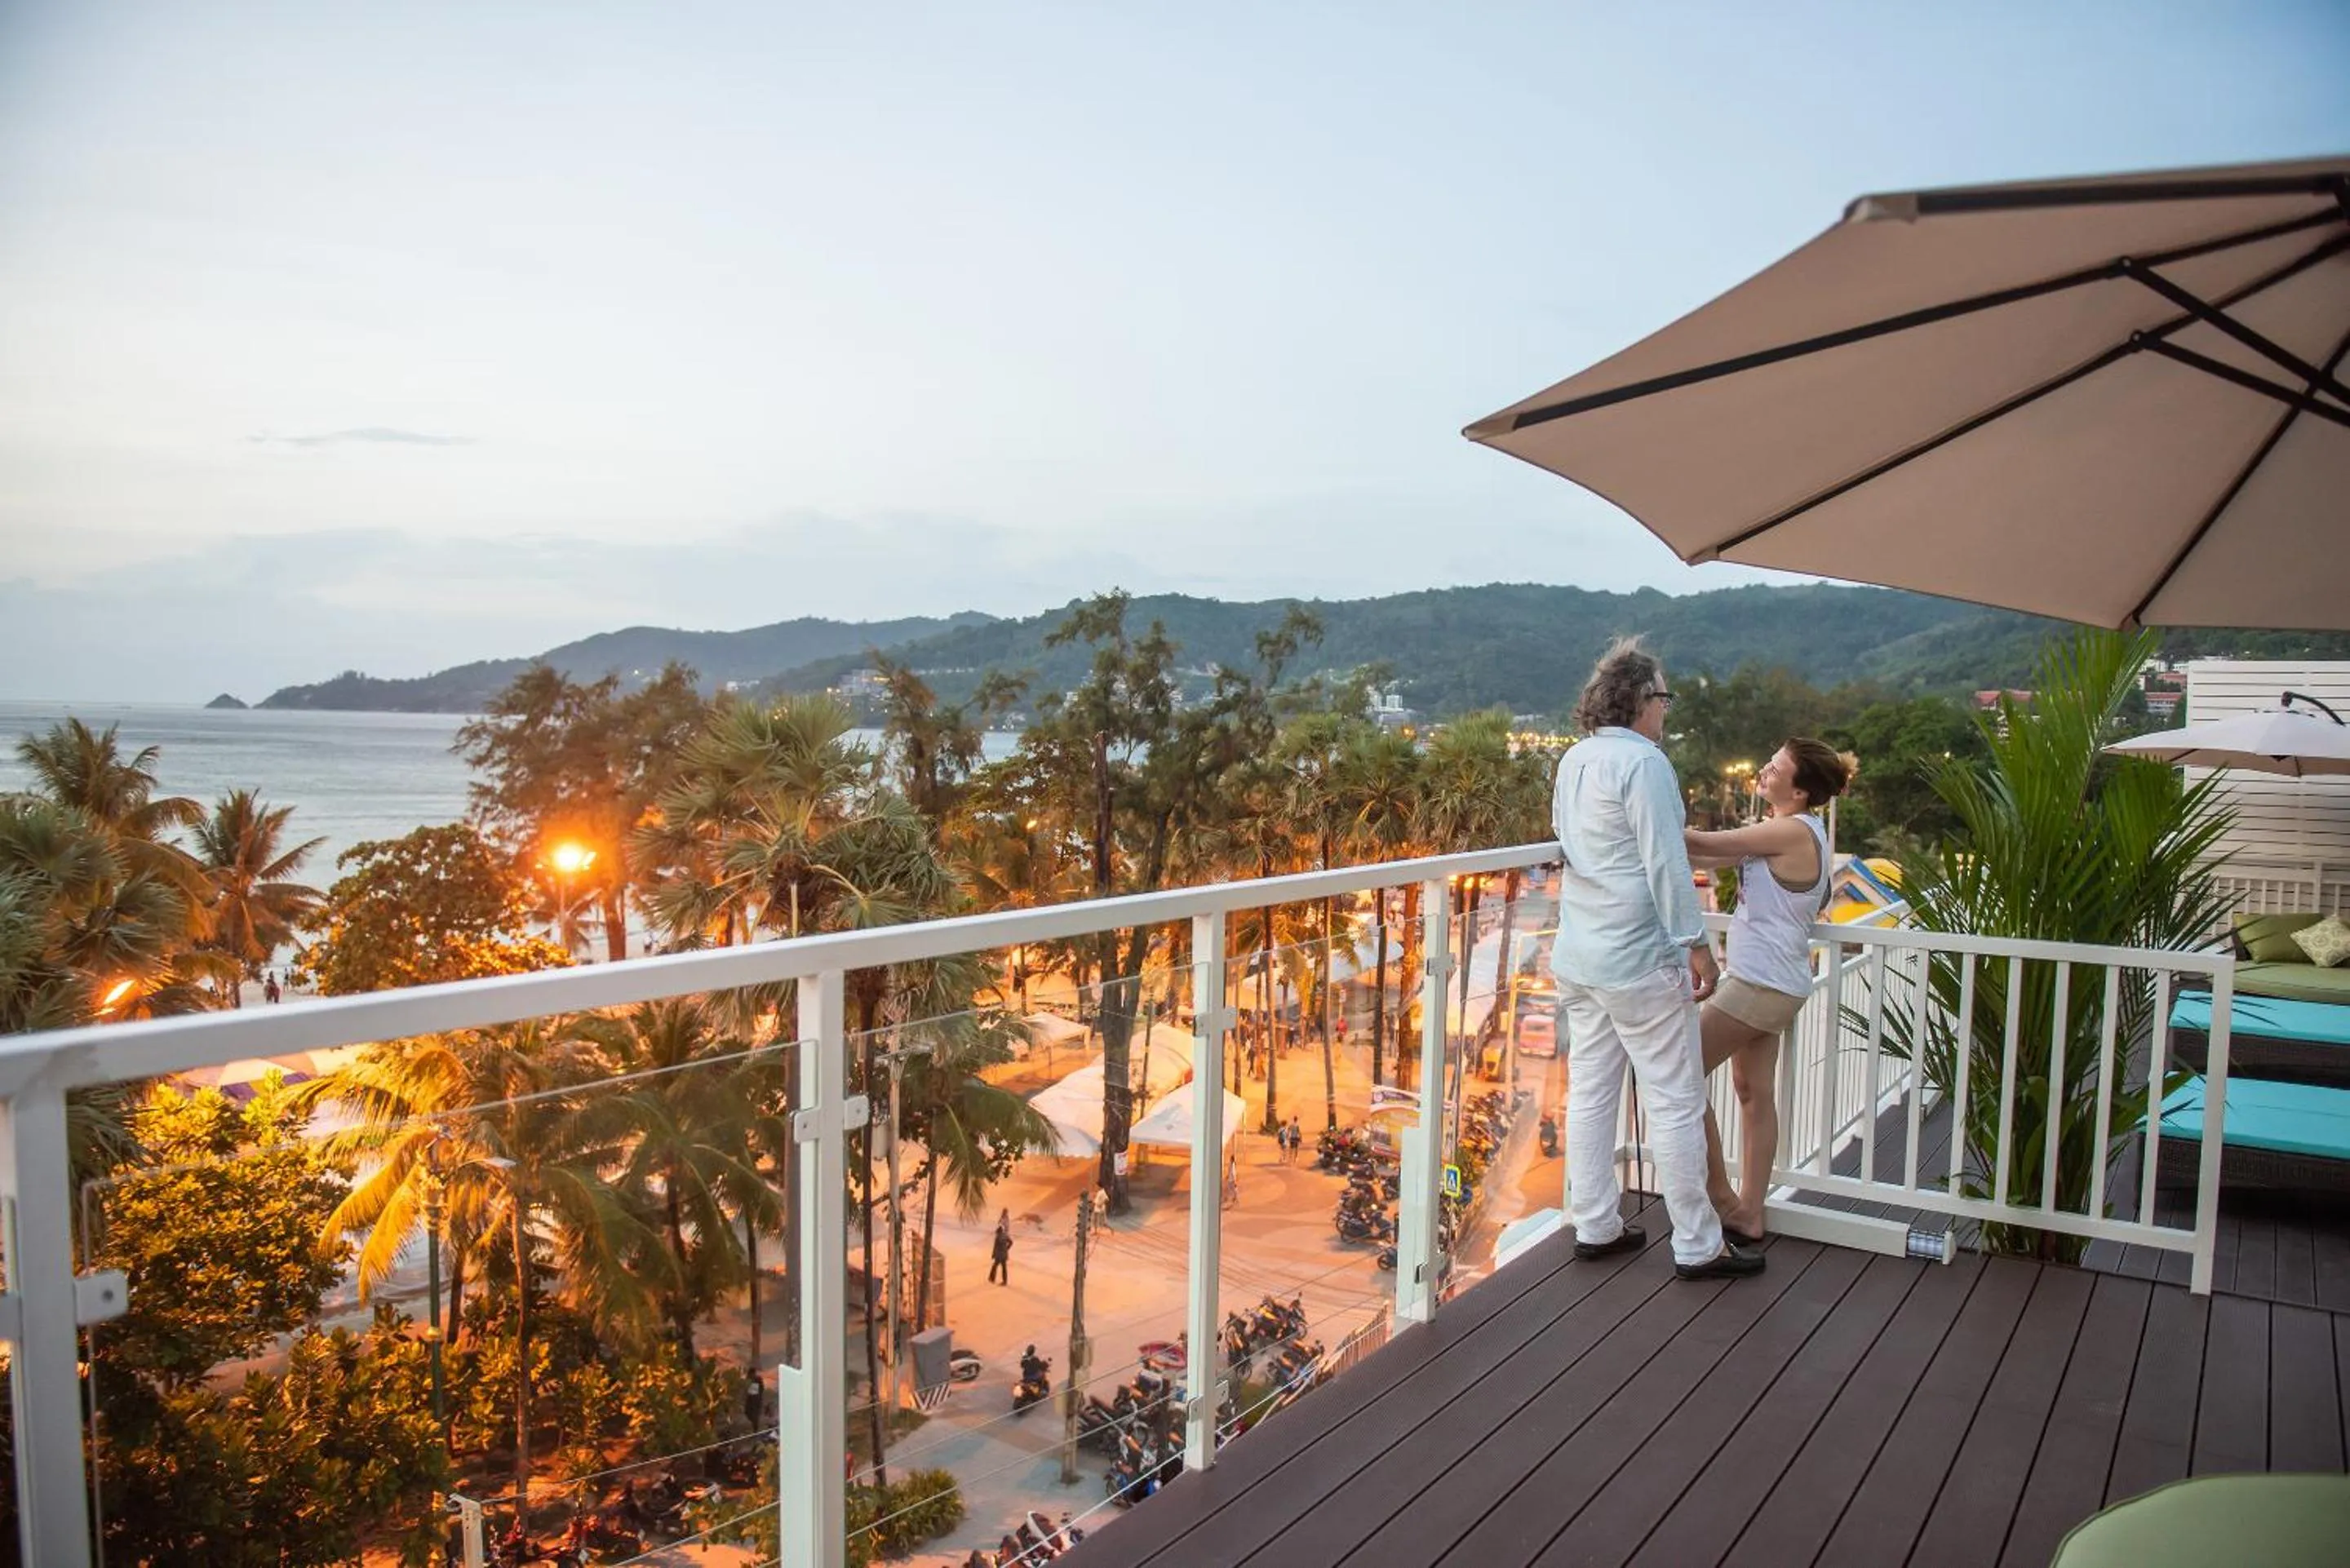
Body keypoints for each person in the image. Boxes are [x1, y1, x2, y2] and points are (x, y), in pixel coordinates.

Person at [1550, 638, 1762, 1282]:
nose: (1666, 710)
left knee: (1591, 1090)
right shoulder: (1645, 766)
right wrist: (1696, 945)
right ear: (1643, 700)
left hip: (1581, 952)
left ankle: (1595, 1222)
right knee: (1674, 1097)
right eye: (1664, 697)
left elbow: (1571, 846)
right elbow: (1667, 863)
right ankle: (1698, 1244)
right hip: (1638, 957)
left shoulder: (1574, 760)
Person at [1683, 738, 1852, 1244]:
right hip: (1773, 981)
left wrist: (1646, 816)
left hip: (1761, 984)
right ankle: (1749, 1213)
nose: (1763, 769)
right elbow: (1705, 855)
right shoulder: (1804, 830)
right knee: (1753, 1093)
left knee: (1680, 1070)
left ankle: (1720, 1199)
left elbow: (1706, 846)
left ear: (1799, 791)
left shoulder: (1789, 831)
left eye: (1775, 767)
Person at [989, 1209, 1013, 1285]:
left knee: (995, 1266)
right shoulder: (1005, 1236)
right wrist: (1007, 1248)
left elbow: (995, 1247)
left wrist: (993, 1255)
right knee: (1004, 1268)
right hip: (1004, 1255)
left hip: (999, 1255)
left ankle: (992, 1278)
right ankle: (1005, 1281)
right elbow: (1011, 1242)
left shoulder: (998, 1238)